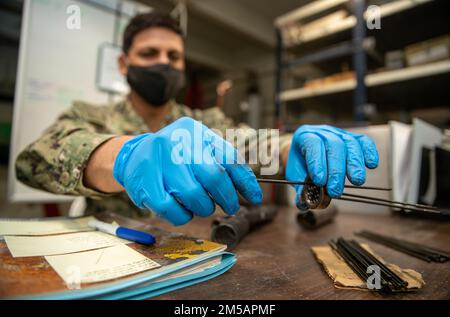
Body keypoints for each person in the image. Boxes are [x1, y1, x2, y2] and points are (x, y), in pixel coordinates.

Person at [15, 12, 379, 225]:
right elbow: (34, 159)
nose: (163, 62)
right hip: (110, 261)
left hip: (195, 259)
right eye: (149, 53)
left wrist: (291, 147)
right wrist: (124, 156)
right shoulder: (90, 116)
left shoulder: (205, 122)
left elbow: (250, 143)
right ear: (124, 64)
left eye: (173, 56)